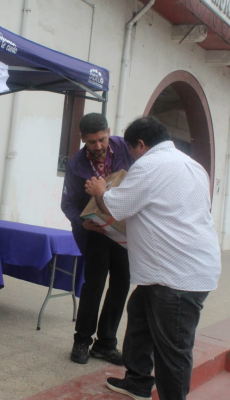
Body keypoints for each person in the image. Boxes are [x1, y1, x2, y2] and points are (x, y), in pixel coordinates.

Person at [85, 116, 221, 400]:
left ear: (141, 145)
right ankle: (137, 382)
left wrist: (101, 191)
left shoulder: (149, 165)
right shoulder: (192, 165)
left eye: (132, 150)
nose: (131, 157)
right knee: (139, 316)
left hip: (177, 277)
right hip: (170, 270)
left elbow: (116, 207)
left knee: (173, 348)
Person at [61, 113, 134, 365]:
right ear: (82, 139)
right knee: (93, 285)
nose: (98, 147)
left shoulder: (126, 147)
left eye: (102, 139)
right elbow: (68, 204)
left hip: (125, 231)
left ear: (109, 132)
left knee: (122, 283)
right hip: (96, 233)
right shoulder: (76, 165)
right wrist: (83, 223)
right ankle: (82, 339)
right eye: (91, 142)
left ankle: (106, 343)